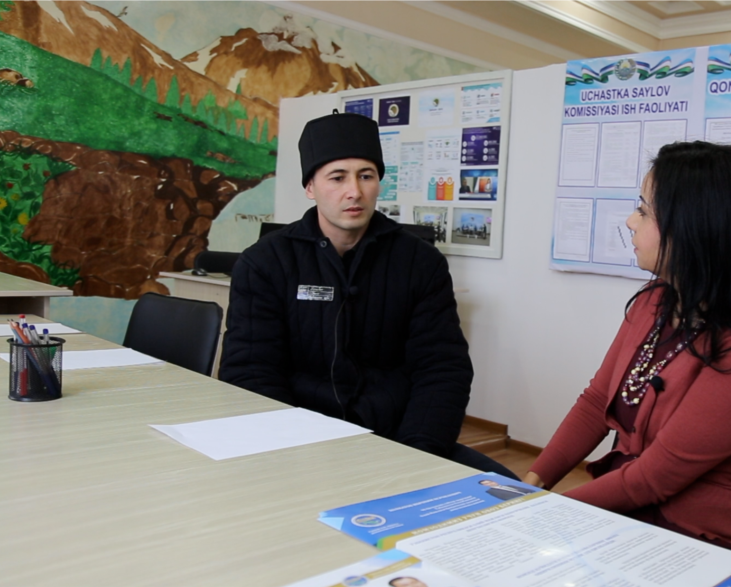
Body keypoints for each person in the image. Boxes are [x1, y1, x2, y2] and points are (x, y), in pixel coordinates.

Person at [523, 141, 731, 573]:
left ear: (697, 227)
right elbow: (595, 403)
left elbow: (653, 478)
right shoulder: (655, 302)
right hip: (635, 518)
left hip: (715, 544)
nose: (630, 221)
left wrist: (541, 513)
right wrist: (530, 486)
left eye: (644, 211)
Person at [220, 111, 515, 477]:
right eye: (337, 177)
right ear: (310, 187)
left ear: (379, 183)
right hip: (299, 445)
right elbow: (250, 371)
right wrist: (295, 450)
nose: (354, 192)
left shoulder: (420, 263)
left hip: (397, 438)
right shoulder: (265, 262)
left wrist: (417, 453)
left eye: (366, 176)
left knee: (513, 493)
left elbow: (442, 369)